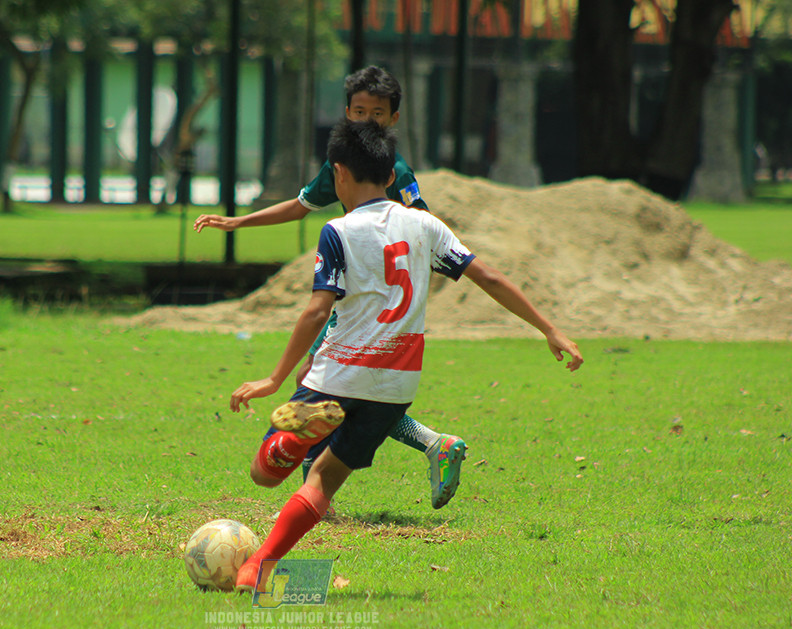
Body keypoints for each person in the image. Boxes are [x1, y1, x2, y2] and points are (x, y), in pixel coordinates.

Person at [227, 119, 583, 591]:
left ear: (338, 174)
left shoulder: (338, 230)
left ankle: (292, 443)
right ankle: (260, 568)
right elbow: (491, 277)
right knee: (323, 482)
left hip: (335, 377)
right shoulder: (425, 225)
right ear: (391, 177)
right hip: (394, 389)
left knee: (263, 474)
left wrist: (273, 380)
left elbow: (317, 310)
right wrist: (550, 329)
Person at [196, 65, 466, 510]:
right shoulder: (341, 165)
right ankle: (430, 445)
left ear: (393, 118)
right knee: (348, 390)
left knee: (324, 384)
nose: (367, 121)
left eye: (376, 113)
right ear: (346, 112)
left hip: (373, 304)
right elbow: (300, 205)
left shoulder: (391, 168)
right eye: (359, 111)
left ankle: (318, 496)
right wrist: (240, 221)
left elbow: (424, 222)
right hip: (356, 297)